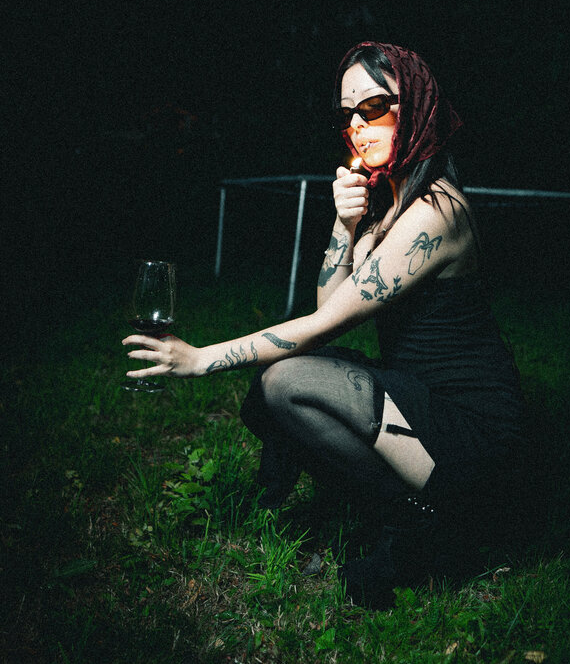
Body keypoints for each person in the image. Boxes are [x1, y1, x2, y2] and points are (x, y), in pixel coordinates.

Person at [123, 42, 526, 606]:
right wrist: (344, 222)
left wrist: (200, 359)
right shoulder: (389, 206)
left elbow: (322, 324)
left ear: (416, 108)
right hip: (416, 398)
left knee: (290, 378)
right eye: (347, 114)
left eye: (374, 107)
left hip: (471, 425)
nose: (358, 126)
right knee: (286, 380)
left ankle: (440, 518)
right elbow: (329, 302)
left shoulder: (438, 210)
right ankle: (409, 510)